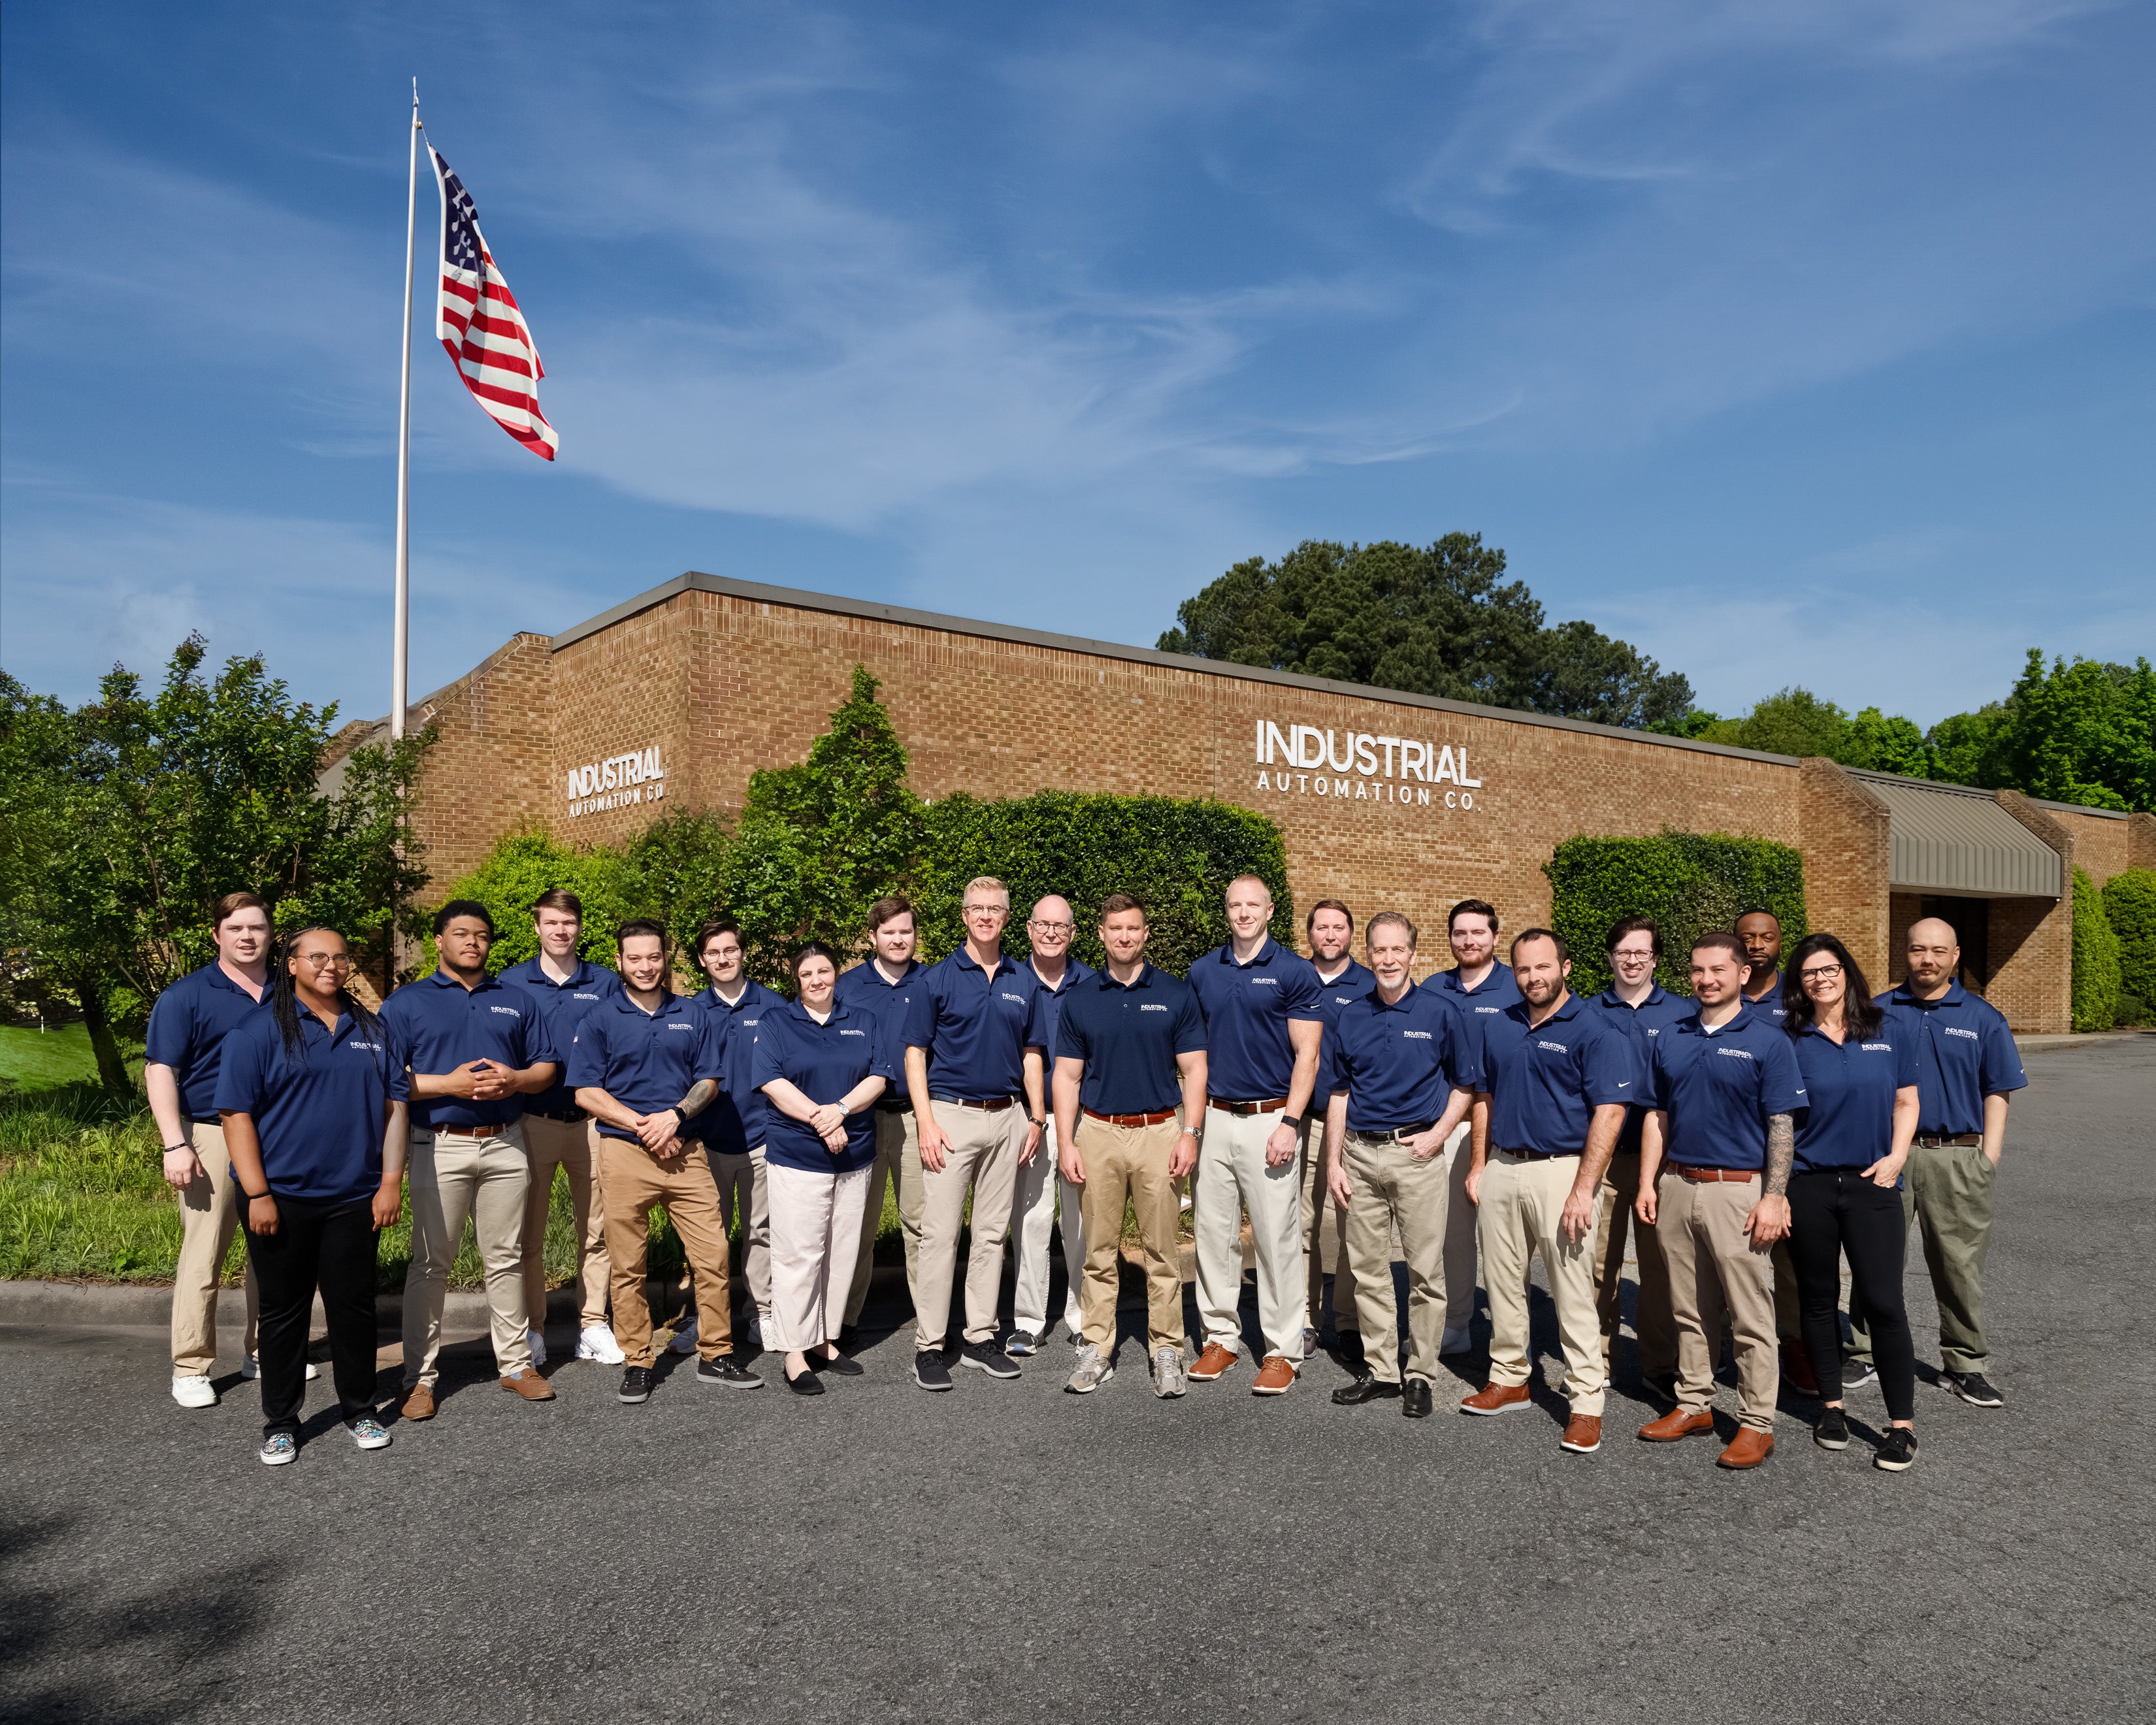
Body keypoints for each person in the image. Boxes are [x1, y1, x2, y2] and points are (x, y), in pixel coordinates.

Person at [214, 926, 406, 1466]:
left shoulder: (373, 1029)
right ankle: (281, 1423)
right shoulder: (257, 1031)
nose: (331, 966)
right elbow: (235, 1115)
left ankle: (360, 1410)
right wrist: (258, 1192)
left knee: (353, 1308)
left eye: (340, 957)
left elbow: (395, 1107)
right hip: (280, 1197)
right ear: (292, 964)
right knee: (283, 1312)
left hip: (355, 1196)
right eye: (317, 956)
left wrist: (390, 1182)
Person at [1635, 932, 1806, 1470]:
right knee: (1688, 1307)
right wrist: (1648, 1182)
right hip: (1677, 1183)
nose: (1706, 980)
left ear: (1742, 975)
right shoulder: (1672, 1035)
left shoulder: (1769, 1041)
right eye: (1697, 971)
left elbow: (1781, 1125)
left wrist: (1774, 1197)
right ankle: (1695, 1404)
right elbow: (1657, 1115)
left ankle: (1756, 1423)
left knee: (1749, 1313)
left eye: (1717, 970)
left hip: (1738, 1190)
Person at [567, 918, 757, 1404]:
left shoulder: (692, 1014)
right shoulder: (600, 1019)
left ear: (666, 958)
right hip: (624, 1153)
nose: (646, 966)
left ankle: (716, 1354)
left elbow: (709, 1081)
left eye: (654, 957)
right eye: (635, 958)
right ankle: (637, 1360)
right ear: (619, 961)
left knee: (713, 1257)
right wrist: (645, 1127)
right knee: (628, 1265)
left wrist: (674, 1118)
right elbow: (586, 1092)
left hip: (686, 1153)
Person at [1459, 929, 1634, 1454]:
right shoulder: (1501, 1025)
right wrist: (1479, 1165)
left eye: (1543, 967)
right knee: (1502, 1282)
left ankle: (1586, 1402)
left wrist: (1585, 1188)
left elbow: (1610, 1113)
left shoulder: (1596, 1030)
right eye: (1523, 969)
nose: (1533, 978)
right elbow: (1484, 1098)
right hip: (1503, 1166)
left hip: (1563, 1173)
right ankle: (1509, 1377)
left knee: (1572, 1291)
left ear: (1566, 967)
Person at [1843, 915, 2027, 1409]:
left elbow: (1998, 1091)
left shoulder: (1983, 1018)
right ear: (1905, 953)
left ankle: (1964, 1364)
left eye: (1939, 951)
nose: (1928, 960)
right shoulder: (1876, 1011)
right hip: (1888, 1155)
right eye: (1918, 950)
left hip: (1958, 1157)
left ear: (1956, 955)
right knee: (1874, 1257)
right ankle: (1863, 1351)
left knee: (1959, 1265)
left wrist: (1988, 1158)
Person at [385, 901, 560, 1421]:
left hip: (506, 1141)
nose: (472, 942)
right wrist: (449, 1085)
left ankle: (516, 1365)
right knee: (431, 1263)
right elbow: (387, 1079)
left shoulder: (516, 999)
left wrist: (515, 1079)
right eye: (461, 934)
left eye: (482, 935)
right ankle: (419, 1378)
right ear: (439, 940)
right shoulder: (406, 1003)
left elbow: (546, 1067)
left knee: (506, 1257)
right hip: (439, 1144)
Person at [1322, 913, 1478, 1418]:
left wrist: (1438, 1135)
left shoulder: (1441, 1012)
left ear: (1413, 954)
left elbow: (1465, 1084)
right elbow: (1339, 1093)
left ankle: (1420, 1374)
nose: (1388, 960)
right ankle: (1383, 1370)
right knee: (1367, 1269)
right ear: (1368, 954)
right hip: (1360, 1156)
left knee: (1425, 1270)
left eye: (1397, 950)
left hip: (1416, 1156)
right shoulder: (1351, 1015)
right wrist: (1334, 1162)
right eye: (1379, 950)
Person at [1053, 894, 1208, 1397]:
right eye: (1115, 928)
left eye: (1133, 928)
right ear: (1101, 934)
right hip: (1097, 1132)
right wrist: (1066, 1142)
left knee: (1162, 1250)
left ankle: (1168, 1349)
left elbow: (1195, 1070)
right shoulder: (1081, 998)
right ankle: (1097, 1347)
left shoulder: (1175, 993)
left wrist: (1190, 1133)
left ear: (1146, 934)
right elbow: (1067, 1077)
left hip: (1160, 1131)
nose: (1124, 937)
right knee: (1099, 1250)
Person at [147, 891, 299, 1407]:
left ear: (271, 934)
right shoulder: (186, 995)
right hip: (210, 1133)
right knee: (205, 1253)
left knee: (274, 1251)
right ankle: (191, 1366)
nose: (247, 937)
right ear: (217, 935)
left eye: (257, 927)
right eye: (236, 928)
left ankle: (265, 1352)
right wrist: (175, 1143)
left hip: (278, 1133)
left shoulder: (289, 990)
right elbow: (160, 1070)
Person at [1782, 933, 1921, 1471]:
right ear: (1799, 983)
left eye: (1829, 969)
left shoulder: (1888, 1028)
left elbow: (1906, 1100)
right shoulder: (1790, 1038)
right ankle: (1832, 1409)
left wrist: (1896, 1157)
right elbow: (1778, 1118)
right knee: (1818, 1301)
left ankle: (1902, 1427)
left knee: (1884, 1303)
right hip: (1810, 1184)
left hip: (1873, 1184)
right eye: (1809, 973)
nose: (1821, 979)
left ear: (1846, 971)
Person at [902, 877, 1048, 1390]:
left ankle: (980, 1338)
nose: (986, 916)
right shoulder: (937, 979)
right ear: (964, 916)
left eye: (995, 909)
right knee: (940, 1235)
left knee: (990, 1234)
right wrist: (925, 1120)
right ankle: (929, 1345)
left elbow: (1032, 1054)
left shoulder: (1022, 980)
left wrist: (1036, 1117)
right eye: (977, 908)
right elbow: (915, 1053)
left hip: (1008, 1117)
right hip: (951, 1117)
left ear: (1007, 918)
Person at [1186, 874, 1325, 1396]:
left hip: (1272, 1118)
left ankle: (1282, 1349)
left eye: (1253, 905)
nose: (1244, 913)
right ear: (1226, 911)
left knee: (1275, 1237)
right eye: (1235, 905)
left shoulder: (1294, 971)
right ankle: (1220, 1339)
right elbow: (1192, 1055)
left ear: (1269, 911)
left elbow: (1308, 1055)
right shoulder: (1203, 971)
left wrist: (1290, 1122)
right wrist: (1192, 1125)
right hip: (1215, 1117)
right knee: (1212, 1234)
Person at [752, 942, 896, 1394]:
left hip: (854, 1155)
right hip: (798, 1156)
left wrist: (840, 1110)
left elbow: (878, 1077)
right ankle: (795, 1351)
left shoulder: (862, 1020)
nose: (817, 980)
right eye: (807, 974)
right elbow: (772, 1082)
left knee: (840, 1252)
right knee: (799, 1255)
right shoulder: (776, 1022)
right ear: (796, 980)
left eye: (824, 971)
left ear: (836, 974)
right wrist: (822, 1119)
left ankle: (823, 1340)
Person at [498, 889, 625, 1368]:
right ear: (537, 927)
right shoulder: (511, 983)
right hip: (532, 1122)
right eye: (551, 922)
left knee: (598, 1232)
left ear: (580, 927)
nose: (560, 931)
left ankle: (592, 1325)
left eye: (568, 922)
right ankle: (534, 1329)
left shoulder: (606, 982)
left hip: (592, 1124)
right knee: (527, 1236)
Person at [1583, 918, 1688, 1394]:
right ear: (1610, 957)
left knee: (1659, 1270)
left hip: (1660, 1164)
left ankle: (1659, 1366)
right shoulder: (1587, 1013)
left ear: (1655, 959)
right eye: (1623, 952)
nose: (1631, 961)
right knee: (1596, 1267)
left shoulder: (1682, 1014)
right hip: (1601, 1160)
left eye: (1641, 953)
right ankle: (1597, 1362)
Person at [683, 917, 787, 1352]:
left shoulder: (774, 1007)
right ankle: (705, 1318)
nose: (723, 959)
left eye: (730, 950)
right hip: (706, 1144)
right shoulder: (690, 1012)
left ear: (743, 952)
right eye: (713, 953)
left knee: (761, 1232)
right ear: (702, 960)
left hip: (763, 1138)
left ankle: (761, 1313)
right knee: (708, 1238)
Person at [1428, 899, 1520, 1355]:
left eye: (1478, 932)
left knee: (1507, 1242)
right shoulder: (1433, 988)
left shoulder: (1518, 987)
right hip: (1448, 1127)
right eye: (1460, 933)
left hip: (1503, 1131)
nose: (1468, 941)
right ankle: (1457, 1324)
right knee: (1453, 1236)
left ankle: (1514, 1337)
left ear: (1495, 936)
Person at [1733, 906, 1817, 1397]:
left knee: (1789, 1261)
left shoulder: (1800, 999)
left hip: (1792, 1147)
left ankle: (1796, 1345)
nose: (1757, 944)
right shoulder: (1717, 995)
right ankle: (1729, 1347)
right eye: (1748, 937)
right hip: (1735, 1150)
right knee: (1731, 1256)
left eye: (1767, 936)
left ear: (1780, 942)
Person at [1005, 895, 1093, 1357]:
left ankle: (1083, 1318)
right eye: (1043, 925)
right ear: (1029, 928)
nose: (1052, 933)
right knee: (1031, 1220)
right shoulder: (1011, 981)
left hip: (1082, 1118)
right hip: (1030, 1118)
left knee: (1079, 1223)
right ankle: (1028, 1321)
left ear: (1073, 933)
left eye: (1061, 926)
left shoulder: (1093, 984)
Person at [836, 896, 926, 1336]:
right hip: (861, 1121)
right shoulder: (847, 988)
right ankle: (843, 1320)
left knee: (922, 1226)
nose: (898, 939)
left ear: (915, 935)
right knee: (857, 1226)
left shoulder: (931, 982)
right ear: (872, 936)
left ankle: (932, 1321)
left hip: (916, 1118)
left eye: (906, 931)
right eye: (889, 932)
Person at [1299, 900, 1373, 1360]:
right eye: (1322, 927)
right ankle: (1307, 1319)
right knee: (1302, 1225)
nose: (1330, 935)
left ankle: (1348, 1321)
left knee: (1354, 1227)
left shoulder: (1369, 984)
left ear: (1350, 934)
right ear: (1309, 933)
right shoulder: (1294, 978)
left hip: (1353, 1125)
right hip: (1306, 1122)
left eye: (1339, 928)